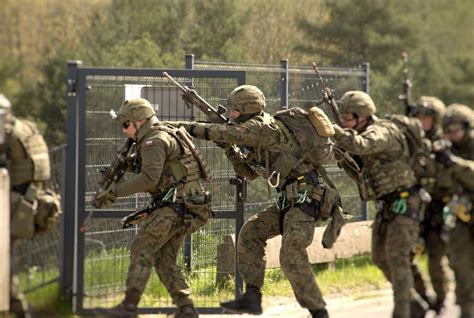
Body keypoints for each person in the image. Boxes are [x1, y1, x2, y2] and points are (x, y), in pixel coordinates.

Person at [169, 85, 344, 318]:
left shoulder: (261, 126)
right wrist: (229, 149)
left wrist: (184, 127)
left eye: (233, 110)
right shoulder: (252, 133)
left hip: (307, 198)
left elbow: (225, 132)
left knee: (291, 254)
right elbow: (248, 172)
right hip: (289, 200)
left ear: (245, 109)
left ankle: (318, 312)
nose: (230, 114)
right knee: (251, 232)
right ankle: (253, 296)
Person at [92, 98, 212, 318]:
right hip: (188, 207)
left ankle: (128, 308)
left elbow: (149, 178)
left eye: (126, 124)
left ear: (139, 122)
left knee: (141, 249)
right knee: (164, 257)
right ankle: (187, 310)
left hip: (176, 207)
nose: (124, 130)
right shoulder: (159, 135)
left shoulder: (153, 141)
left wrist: (114, 192)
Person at [332, 91, 429, 318]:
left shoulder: (382, 131)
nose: (344, 122)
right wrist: (342, 155)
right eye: (342, 118)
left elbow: (364, 145)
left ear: (363, 116)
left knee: (397, 258)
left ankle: (402, 312)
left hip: (406, 202)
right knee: (380, 257)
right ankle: (418, 303)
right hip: (387, 207)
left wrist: (335, 132)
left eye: (348, 118)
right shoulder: (360, 132)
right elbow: (360, 174)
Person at [0, 93, 61, 318]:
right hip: (30, 198)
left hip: (16, 202)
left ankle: (19, 308)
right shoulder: (25, 129)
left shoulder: (9, 133)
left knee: (2, 259)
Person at [410, 96, 450, 313]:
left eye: (425, 117)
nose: (421, 121)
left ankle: (442, 301)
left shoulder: (444, 143)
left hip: (437, 211)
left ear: (435, 120)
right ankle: (424, 296)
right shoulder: (411, 142)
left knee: (436, 260)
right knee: (406, 257)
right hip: (414, 210)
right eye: (417, 116)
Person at [439, 103, 474, 318]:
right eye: (447, 131)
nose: (451, 135)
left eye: (455, 130)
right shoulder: (445, 149)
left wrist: (454, 163)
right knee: (460, 264)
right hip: (461, 215)